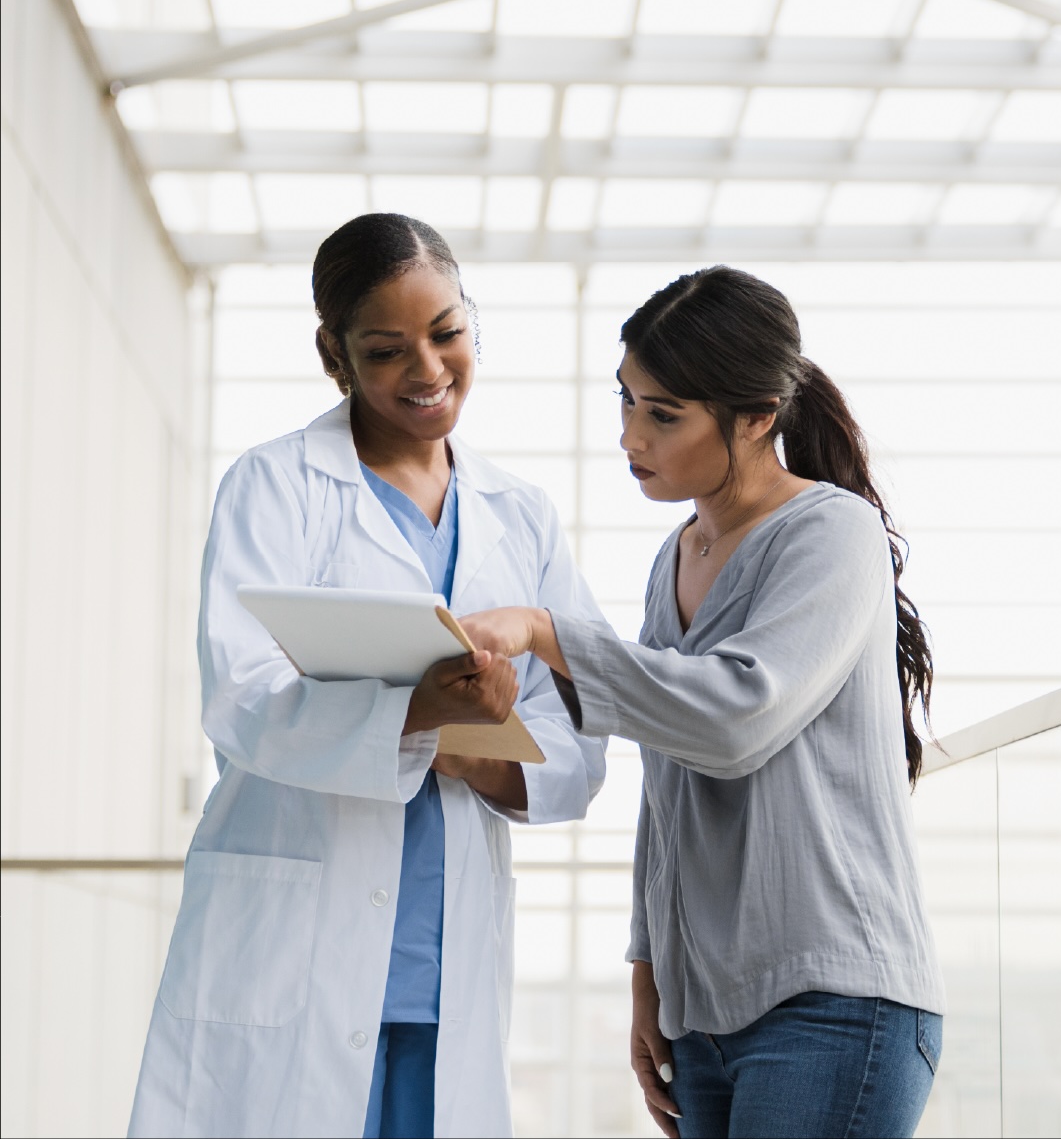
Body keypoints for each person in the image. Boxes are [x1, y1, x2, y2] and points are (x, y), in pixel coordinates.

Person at [129, 214, 606, 1139]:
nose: (427, 369)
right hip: (291, 943)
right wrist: (413, 713)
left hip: (442, 962)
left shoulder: (522, 514)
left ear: (473, 321)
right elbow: (240, 693)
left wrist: (466, 752)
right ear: (333, 353)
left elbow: (578, 739)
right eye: (386, 349)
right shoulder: (275, 486)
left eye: (446, 333)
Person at [461, 266, 946, 1139]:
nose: (629, 435)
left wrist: (544, 631)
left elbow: (733, 718)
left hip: (833, 1000)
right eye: (626, 401)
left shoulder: (830, 531)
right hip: (704, 1015)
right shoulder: (675, 555)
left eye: (662, 413)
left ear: (757, 417)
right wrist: (652, 979)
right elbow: (670, 779)